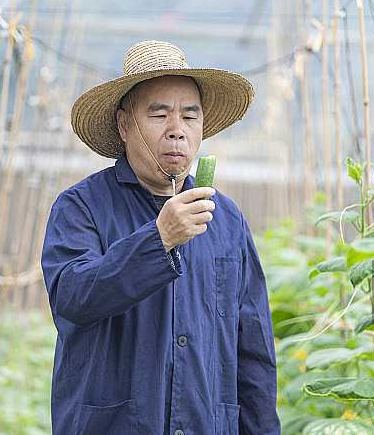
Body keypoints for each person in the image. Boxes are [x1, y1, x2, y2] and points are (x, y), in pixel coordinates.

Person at [41, 40, 280, 435]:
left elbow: (253, 348)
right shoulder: (81, 207)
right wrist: (158, 238)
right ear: (124, 124)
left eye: (190, 116)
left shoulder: (227, 219)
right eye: (159, 114)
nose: (177, 132)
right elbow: (72, 298)